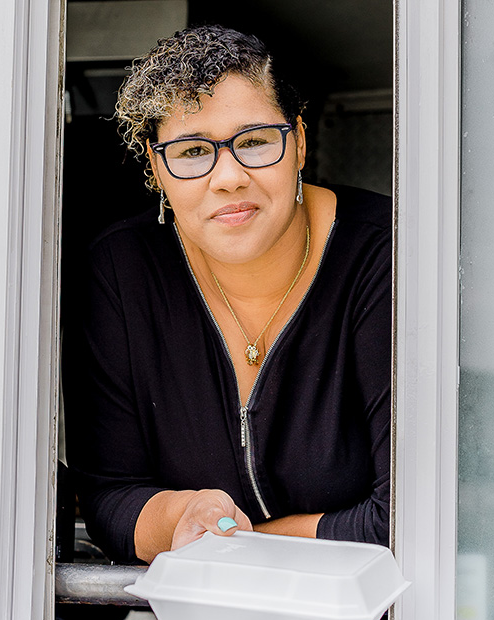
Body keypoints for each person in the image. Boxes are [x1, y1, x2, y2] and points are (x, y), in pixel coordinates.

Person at [63, 25, 391, 566]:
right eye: (192, 152)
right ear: (155, 166)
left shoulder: (386, 256)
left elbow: (401, 519)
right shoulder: (120, 271)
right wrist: (181, 515)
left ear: (300, 141)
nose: (229, 177)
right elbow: (110, 497)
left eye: (256, 141)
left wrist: (234, 549)